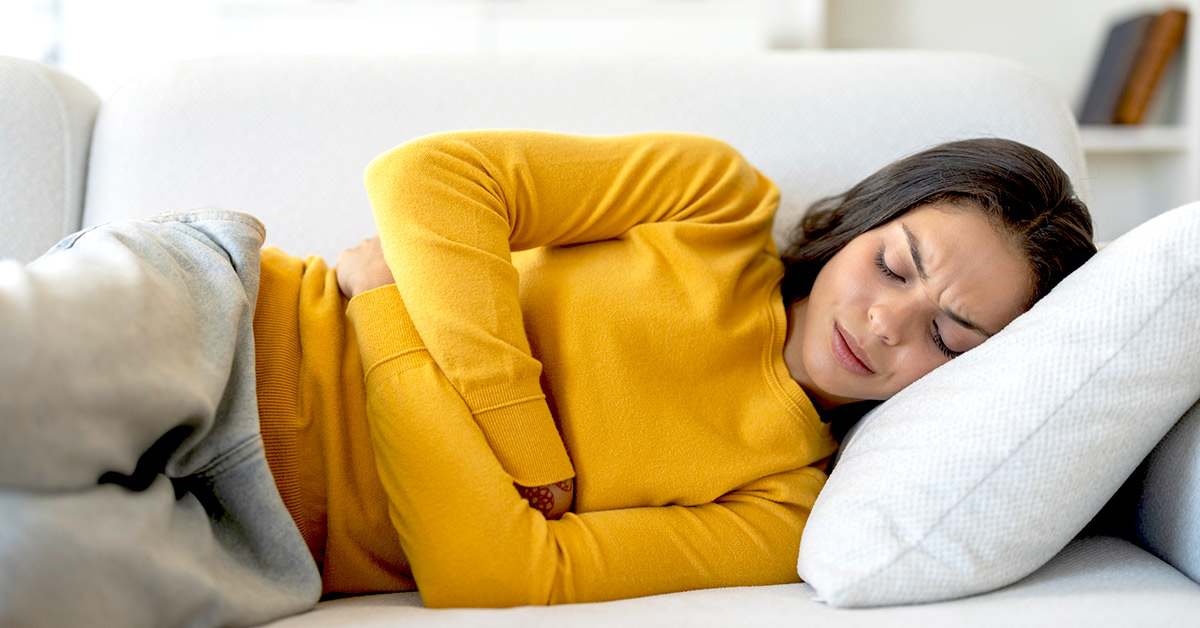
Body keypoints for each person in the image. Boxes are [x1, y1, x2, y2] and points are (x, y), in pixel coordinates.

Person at [0, 131, 1095, 628]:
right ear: (856, 224)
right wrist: (516, 437)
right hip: (234, 322)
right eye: (893, 264)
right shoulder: (714, 202)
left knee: (25, 569)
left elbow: (496, 574)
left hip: (264, 537)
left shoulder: (785, 506)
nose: (886, 321)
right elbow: (431, 180)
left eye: (951, 335)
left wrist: (390, 313)